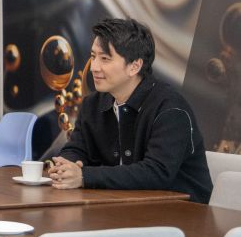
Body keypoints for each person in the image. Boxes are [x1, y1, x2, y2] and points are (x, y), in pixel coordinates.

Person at [48, 17, 212, 203]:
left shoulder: (171, 109)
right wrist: (66, 167)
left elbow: (156, 172)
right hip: (123, 207)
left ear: (134, 66)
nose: (94, 67)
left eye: (105, 59)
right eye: (93, 56)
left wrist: (84, 176)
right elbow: (75, 149)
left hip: (182, 212)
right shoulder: (92, 104)